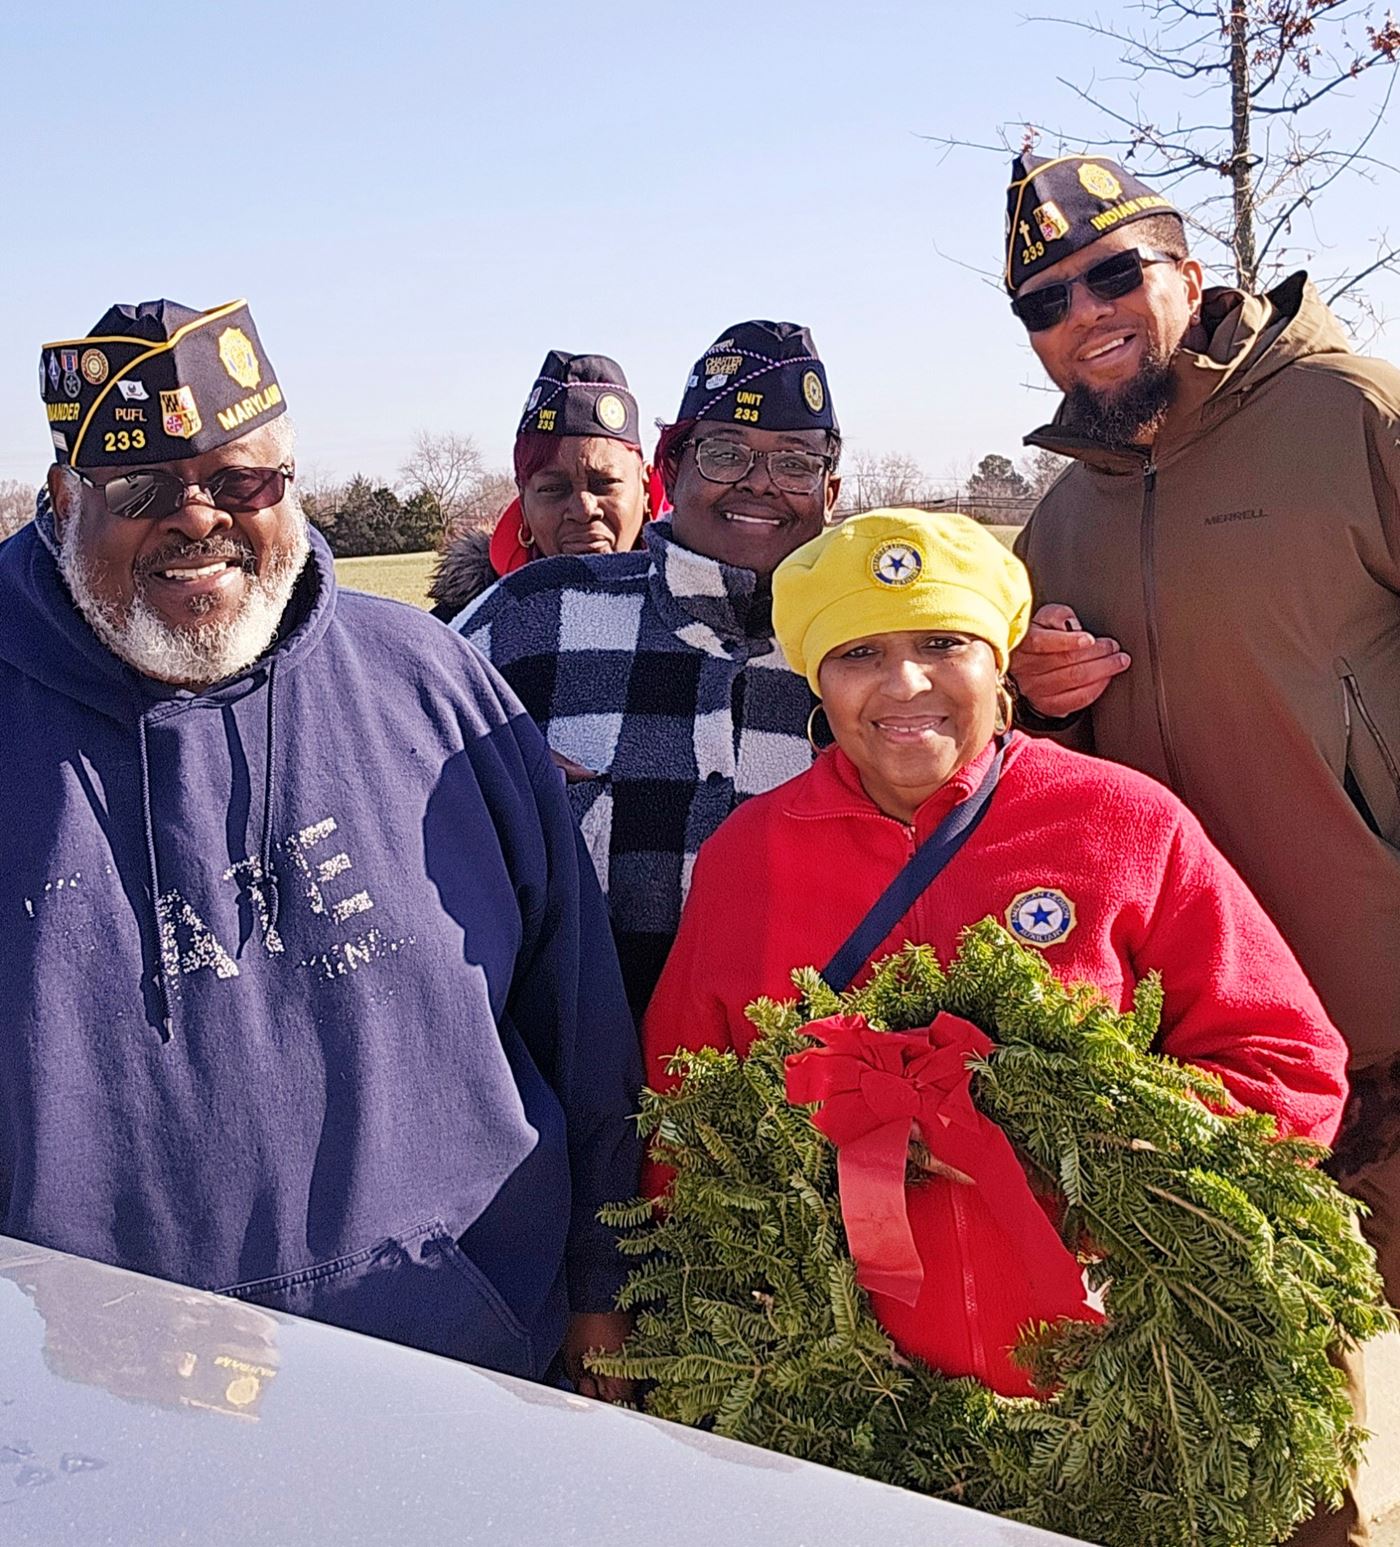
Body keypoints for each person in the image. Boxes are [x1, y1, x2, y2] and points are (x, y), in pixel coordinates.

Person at [5, 298, 641, 1399]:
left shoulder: (432, 683)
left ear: (290, 480)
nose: (197, 518)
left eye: (242, 481)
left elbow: (574, 1006)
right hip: (86, 1399)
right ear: (63, 500)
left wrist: (602, 1279)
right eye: (140, 489)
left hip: (462, 1365)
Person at [642, 508, 1349, 1398]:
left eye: (944, 642)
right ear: (817, 681)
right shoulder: (749, 857)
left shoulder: (1124, 822)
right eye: (860, 653)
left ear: (998, 660)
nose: (905, 684)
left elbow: (1289, 1061)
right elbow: (683, 1112)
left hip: (1121, 1384)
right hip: (853, 1404)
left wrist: (1098, 1150)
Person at [1001, 153, 1400, 1314]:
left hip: (1384, 1015)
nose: (1084, 316)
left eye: (1112, 274)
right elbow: (1023, 781)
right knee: (1282, 1443)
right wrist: (1034, 694)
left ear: (1184, 269)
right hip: (1207, 1064)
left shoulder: (1350, 413)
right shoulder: (1059, 521)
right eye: (1044, 304)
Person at [457, 320, 842, 1014]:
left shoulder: (868, 650)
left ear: (831, 493)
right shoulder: (532, 618)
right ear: (669, 468)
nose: (759, 485)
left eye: (794, 463)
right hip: (573, 1098)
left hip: (812, 1099)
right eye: (725, 453)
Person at [428, 351, 663, 619]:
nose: (584, 509)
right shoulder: (463, 627)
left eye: (605, 483)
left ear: (645, 486)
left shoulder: (701, 607)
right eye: (553, 489)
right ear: (523, 500)